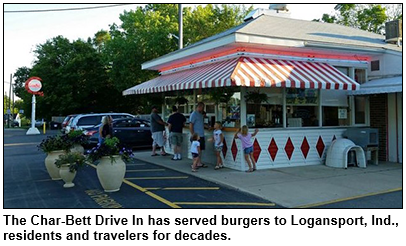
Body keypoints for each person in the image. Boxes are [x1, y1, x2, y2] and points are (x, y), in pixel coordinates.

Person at [189, 102, 207, 168]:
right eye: (202, 107)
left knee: (200, 149)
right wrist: (193, 134)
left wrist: (207, 127)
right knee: (195, 150)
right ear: (199, 107)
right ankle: (194, 163)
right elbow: (191, 125)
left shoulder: (201, 115)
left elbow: (200, 123)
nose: (203, 109)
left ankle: (199, 162)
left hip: (201, 135)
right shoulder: (194, 114)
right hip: (196, 136)